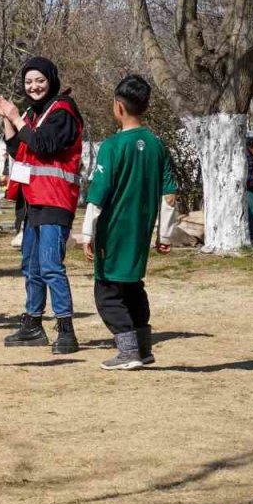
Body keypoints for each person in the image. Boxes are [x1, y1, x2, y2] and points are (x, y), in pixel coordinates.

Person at [80, 75, 178, 370]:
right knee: (133, 286)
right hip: (141, 232)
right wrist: (165, 235)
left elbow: (98, 194)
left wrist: (87, 232)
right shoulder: (157, 145)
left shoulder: (112, 146)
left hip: (113, 232)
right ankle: (144, 349)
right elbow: (170, 194)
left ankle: (128, 352)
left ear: (118, 106)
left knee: (107, 292)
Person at [0, 57, 83, 354]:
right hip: (31, 201)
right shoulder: (32, 112)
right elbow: (18, 148)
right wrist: (7, 117)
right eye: (28, 82)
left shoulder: (63, 110)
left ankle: (66, 330)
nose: (34, 87)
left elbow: (44, 145)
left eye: (39, 80)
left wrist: (15, 116)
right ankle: (32, 324)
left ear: (51, 80)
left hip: (55, 199)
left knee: (51, 266)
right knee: (31, 266)